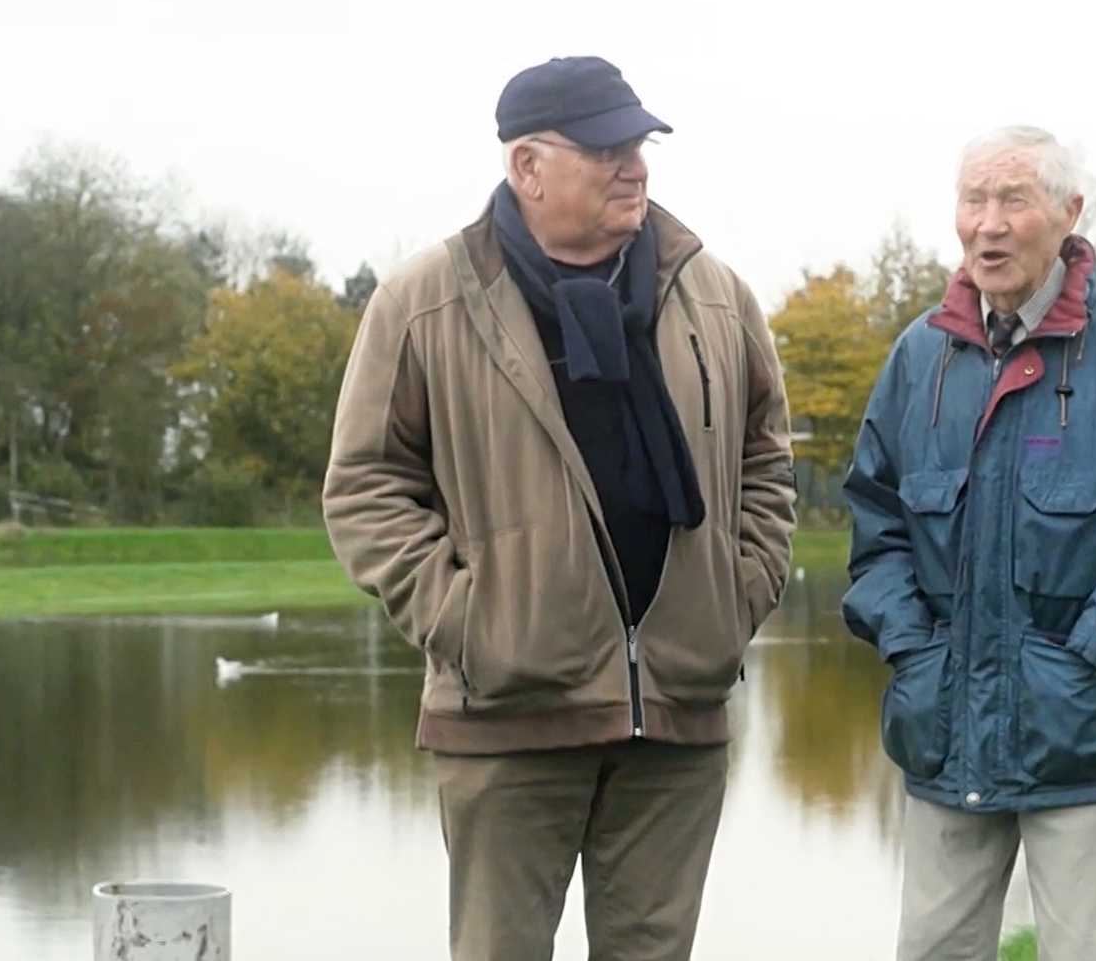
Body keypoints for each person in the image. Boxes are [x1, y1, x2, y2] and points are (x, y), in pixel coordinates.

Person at [322, 56, 797, 961]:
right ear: (527, 167)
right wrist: (470, 621)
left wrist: (738, 594)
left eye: (638, 144)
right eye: (605, 148)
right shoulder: (424, 303)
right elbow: (366, 486)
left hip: (678, 713)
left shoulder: (716, 295)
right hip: (507, 713)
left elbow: (766, 460)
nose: (635, 165)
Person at [840, 125, 1096, 961]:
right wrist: (917, 652)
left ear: (1067, 213)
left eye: (1013, 199)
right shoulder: (920, 359)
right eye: (973, 199)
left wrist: (1083, 660)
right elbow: (876, 540)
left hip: (1086, 741)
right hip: (943, 734)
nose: (988, 222)